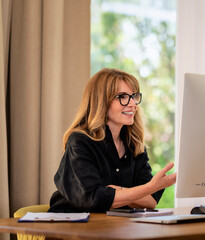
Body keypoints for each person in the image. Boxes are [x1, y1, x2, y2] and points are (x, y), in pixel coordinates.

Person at [48, 68, 176, 213]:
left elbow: (151, 201)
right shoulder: (80, 141)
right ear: (101, 101)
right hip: (71, 226)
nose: (133, 103)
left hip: (112, 227)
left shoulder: (134, 145)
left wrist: (116, 190)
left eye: (134, 96)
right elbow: (94, 199)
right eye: (122, 96)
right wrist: (150, 187)